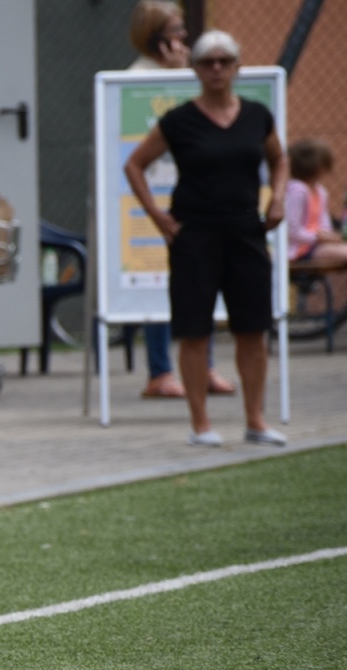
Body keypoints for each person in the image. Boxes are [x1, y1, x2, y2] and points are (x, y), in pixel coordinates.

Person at [124, 30, 288, 447]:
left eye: (224, 61)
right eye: (208, 62)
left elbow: (279, 159)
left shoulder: (256, 116)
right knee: (195, 330)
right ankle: (201, 423)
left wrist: (278, 199)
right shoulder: (179, 121)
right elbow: (135, 165)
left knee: (253, 328)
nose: (217, 69)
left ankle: (256, 419)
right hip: (194, 234)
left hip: (246, 231)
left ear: (237, 67)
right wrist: (158, 217)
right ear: (195, 69)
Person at [124, 1, 237, 400]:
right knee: (158, 280)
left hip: (197, 200)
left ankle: (204, 367)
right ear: (156, 37)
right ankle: (160, 371)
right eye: (174, 30)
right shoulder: (136, 79)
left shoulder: (195, 75)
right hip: (154, 201)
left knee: (203, 283)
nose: (184, 38)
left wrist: (184, 75)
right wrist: (173, 77)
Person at [285, 139, 347, 270]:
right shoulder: (297, 191)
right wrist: (318, 238)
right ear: (319, 167)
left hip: (316, 246)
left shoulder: (320, 192)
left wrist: (330, 237)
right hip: (299, 250)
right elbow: (292, 231)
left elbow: (324, 224)